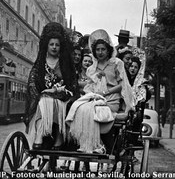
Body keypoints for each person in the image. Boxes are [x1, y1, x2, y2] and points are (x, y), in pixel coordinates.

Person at [66, 29, 133, 154]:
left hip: (111, 99)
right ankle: (87, 144)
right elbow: (90, 86)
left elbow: (122, 85)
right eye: (97, 50)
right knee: (82, 109)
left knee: (95, 110)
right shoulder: (91, 69)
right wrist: (92, 94)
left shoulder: (117, 63)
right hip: (96, 99)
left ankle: (99, 145)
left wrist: (105, 93)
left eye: (103, 49)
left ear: (108, 50)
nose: (100, 52)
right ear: (94, 51)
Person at [24, 22, 78, 150]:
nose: (54, 47)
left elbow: (72, 83)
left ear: (61, 47)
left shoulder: (65, 63)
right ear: (46, 46)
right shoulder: (40, 63)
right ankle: (40, 134)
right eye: (51, 44)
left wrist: (61, 91)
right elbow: (32, 81)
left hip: (62, 97)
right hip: (43, 96)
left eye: (57, 45)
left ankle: (59, 137)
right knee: (43, 101)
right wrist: (38, 93)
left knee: (53, 102)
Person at [128, 55, 150, 145]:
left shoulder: (141, 81)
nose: (133, 69)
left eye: (136, 67)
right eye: (131, 66)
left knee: (137, 119)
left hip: (136, 109)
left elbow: (146, 97)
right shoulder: (123, 78)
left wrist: (145, 88)